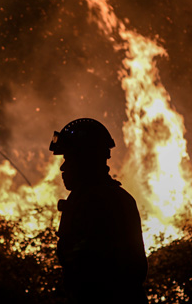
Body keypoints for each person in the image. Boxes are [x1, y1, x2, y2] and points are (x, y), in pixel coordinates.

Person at [50, 118, 149, 303]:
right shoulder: (90, 198)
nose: (63, 167)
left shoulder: (101, 202)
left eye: (68, 159)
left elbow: (91, 268)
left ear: (86, 159)